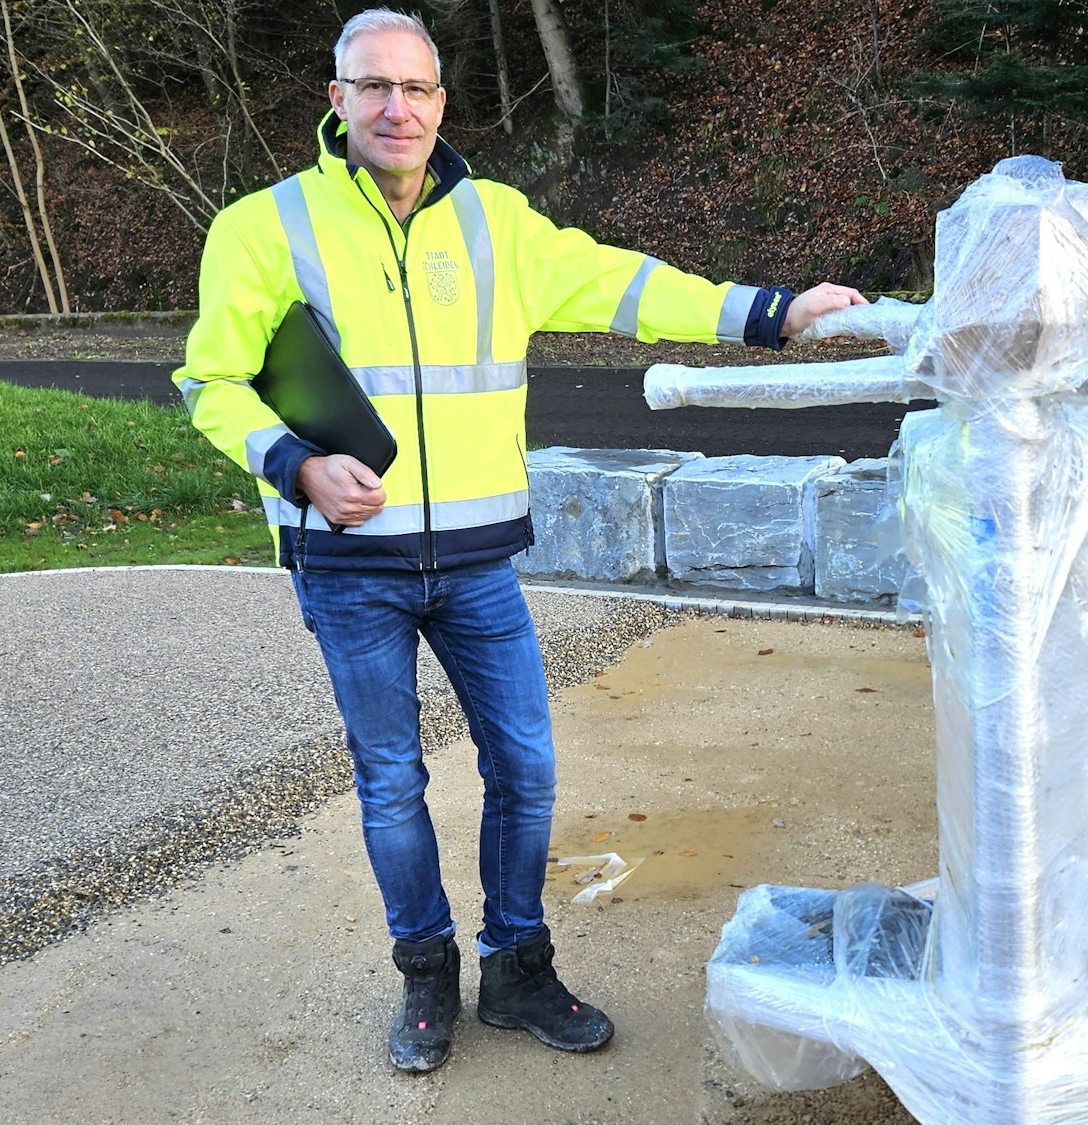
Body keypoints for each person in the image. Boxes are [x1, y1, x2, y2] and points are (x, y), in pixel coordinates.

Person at [172, 8, 865, 1074]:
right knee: (391, 782)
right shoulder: (263, 227)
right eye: (373, 88)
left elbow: (627, 286)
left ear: (442, 102)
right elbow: (211, 380)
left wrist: (770, 309)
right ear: (337, 101)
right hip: (350, 567)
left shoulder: (496, 223)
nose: (395, 108)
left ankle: (517, 969)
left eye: (415, 88)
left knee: (526, 770)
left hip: (480, 562)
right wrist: (294, 465)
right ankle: (425, 980)